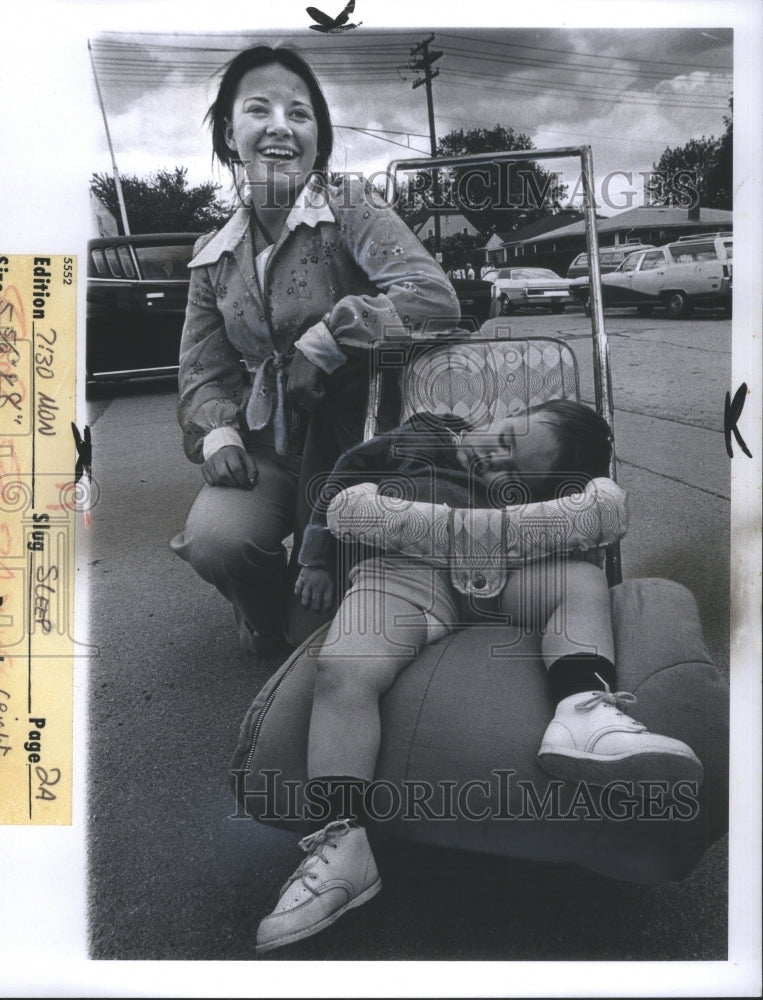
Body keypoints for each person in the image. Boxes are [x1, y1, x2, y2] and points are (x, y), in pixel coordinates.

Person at [254, 399, 703, 953]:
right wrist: (315, 557)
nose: (496, 461)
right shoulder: (427, 434)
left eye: (515, 473)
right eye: (506, 439)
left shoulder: (521, 498)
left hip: (500, 569)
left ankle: (584, 709)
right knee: (343, 668)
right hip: (405, 569)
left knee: (581, 583)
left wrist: (543, 509)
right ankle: (344, 841)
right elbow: (347, 472)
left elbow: (578, 522)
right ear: (507, 411)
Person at [169, 45, 460, 654]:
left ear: (318, 138)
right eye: (259, 110)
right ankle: (267, 609)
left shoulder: (350, 206)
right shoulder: (212, 254)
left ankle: (316, 610)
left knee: (340, 625)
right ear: (230, 133)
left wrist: (326, 341)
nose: (281, 126)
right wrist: (218, 434)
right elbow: (201, 369)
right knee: (216, 541)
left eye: (300, 114)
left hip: (358, 439)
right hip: (270, 443)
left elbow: (433, 298)